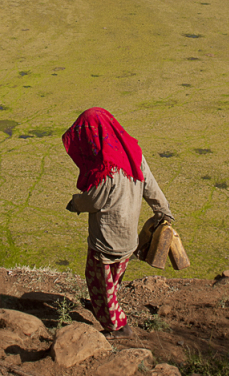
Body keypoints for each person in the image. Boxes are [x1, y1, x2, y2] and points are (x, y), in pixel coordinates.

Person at [63, 108, 174, 338]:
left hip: (106, 241)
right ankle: (107, 303)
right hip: (128, 239)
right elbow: (150, 186)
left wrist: (75, 203)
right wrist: (163, 210)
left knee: (98, 280)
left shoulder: (107, 170)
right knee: (114, 279)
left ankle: (118, 326)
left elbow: (94, 200)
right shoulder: (134, 154)